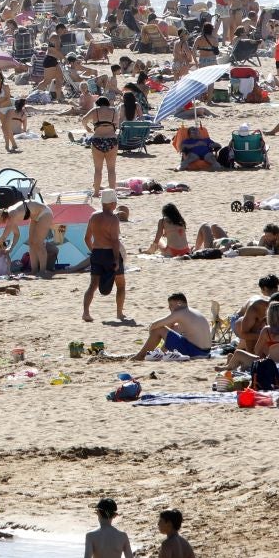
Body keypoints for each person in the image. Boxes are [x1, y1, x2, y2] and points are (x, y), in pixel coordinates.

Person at [83, 195, 131, 324]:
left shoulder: (93, 216)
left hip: (97, 253)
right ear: (111, 204)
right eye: (115, 202)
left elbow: (86, 238)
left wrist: (94, 251)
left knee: (93, 285)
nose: (116, 204)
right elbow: (115, 241)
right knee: (120, 284)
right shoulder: (113, 219)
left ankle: (86, 312)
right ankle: (119, 313)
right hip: (110, 253)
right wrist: (116, 259)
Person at [130, 293, 215, 361]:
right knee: (174, 328)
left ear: (179, 303)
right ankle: (160, 352)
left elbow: (155, 325)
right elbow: (173, 328)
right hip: (205, 352)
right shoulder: (193, 311)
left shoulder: (180, 312)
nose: (169, 307)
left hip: (194, 352)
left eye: (171, 304)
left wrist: (152, 333)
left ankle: (141, 355)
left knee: (158, 329)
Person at [84, 96, 121, 194]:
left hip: (97, 140)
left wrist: (87, 127)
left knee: (98, 169)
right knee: (111, 169)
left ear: (98, 103)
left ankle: (96, 193)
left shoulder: (95, 110)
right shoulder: (114, 111)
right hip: (111, 140)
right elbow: (117, 124)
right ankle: (112, 193)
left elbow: (84, 119)